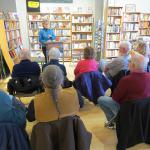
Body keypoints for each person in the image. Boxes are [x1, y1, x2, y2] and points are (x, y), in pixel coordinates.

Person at [98, 51, 150, 128]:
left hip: (128, 109)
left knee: (101, 99)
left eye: (129, 62)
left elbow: (115, 98)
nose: (128, 64)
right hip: (144, 109)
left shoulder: (126, 80)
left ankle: (113, 122)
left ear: (133, 65)